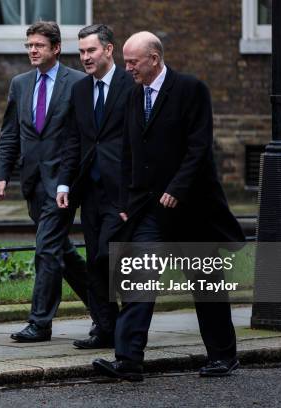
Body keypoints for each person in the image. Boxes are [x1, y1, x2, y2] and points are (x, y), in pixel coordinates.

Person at [92, 31, 245, 380]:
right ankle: (128, 360)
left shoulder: (191, 89)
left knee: (206, 284)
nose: (127, 68)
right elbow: (129, 152)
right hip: (148, 209)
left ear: (155, 59)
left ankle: (223, 355)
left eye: (133, 62)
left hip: (191, 207)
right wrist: (128, 201)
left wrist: (177, 188)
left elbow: (199, 147)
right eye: (126, 62)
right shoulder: (133, 96)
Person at [0, 21, 90, 342]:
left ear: (56, 49)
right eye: (29, 45)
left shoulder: (77, 82)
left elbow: (81, 137)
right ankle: (105, 311)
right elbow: (10, 132)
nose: (33, 51)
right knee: (62, 250)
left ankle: (40, 322)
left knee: (46, 248)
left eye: (39, 45)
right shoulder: (20, 84)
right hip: (32, 181)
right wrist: (2, 175)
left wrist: (71, 177)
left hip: (63, 182)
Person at [56, 24, 134, 349]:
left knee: (109, 256)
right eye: (82, 52)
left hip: (123, 192)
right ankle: (105, 330)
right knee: (93, 259)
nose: (85, 57)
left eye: (91, 51)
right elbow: (73, 140)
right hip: (89, 190)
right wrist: (64, 182)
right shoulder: (80, 90)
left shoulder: (131, 85)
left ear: (108, 50)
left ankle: (127, 329)